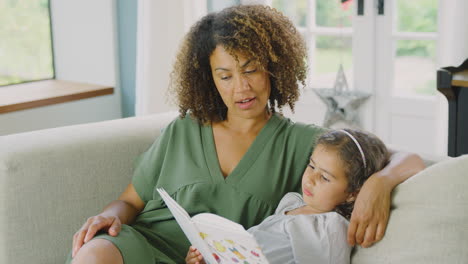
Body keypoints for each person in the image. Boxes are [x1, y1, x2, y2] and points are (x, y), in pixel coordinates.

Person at [67, 5, 425, 264]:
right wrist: (108, 216)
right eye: (225, 76)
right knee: (94, 255)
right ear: (209, 80)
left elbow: (404, 157)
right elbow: (130, 202)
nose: (242, 88)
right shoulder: (183, 130)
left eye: (251, 69)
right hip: (142, 246)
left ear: (273, 67)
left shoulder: (301, 143)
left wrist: (380, 183)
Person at [186, 129, 389, 264]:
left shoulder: (329, 227)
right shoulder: (292, 202)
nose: (310, 179)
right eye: (311, 166)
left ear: (352, 194)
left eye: (325, 178)